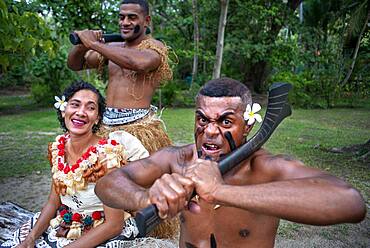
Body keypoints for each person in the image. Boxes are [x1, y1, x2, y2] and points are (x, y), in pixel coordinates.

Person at [95, 77, 366, 248]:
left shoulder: (267, 168)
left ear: (247, 126)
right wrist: (144, 198)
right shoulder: (177, 159)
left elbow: (350, 202)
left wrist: (220, 191)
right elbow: (108, 183)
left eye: (225, 121)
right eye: (203, 119)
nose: (210, 132)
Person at [0, 81, 150, 248]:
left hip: (102, 232)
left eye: (90, 108)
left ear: (97, 118)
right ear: (64, 110)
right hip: (67, 225)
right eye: (75, 105)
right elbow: (53, 202)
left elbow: (114, 225)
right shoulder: (59, 149)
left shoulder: (105, 157)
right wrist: (30, 239)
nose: (81, 112)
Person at [67, 0, 173, 155]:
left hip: (138, 129)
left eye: (132, 17)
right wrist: (82, 45)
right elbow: (76, 64)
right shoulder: (113, 48)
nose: (125, 22)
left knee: (134, 178)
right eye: (121, 17)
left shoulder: (155, 48)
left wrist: (94, 44)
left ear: (147, 21)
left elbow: (138, 63)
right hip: (106, 127)